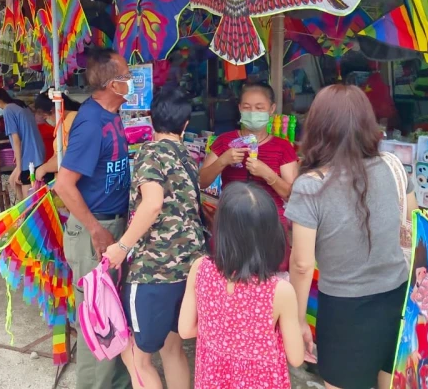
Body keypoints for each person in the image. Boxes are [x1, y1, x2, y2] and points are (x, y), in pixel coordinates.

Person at [286, 84, 417, 389]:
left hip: (345, 310)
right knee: (390, 379)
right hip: (396, 299)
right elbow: (412, 225)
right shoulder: (395, 167)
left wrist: (298, 318)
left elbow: (302, 265)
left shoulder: (310, 186)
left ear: (318, 128)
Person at [104, 88, 204, 389]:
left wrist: (122, 246)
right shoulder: (189, 157)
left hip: (154, 272)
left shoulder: (150, 152)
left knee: (136, 354)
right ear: (185, 126)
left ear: (150, 119)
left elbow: (152, 203)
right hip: (190, 270)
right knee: (172, 348)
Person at [55, 47, 134, 389]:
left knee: (111, 312)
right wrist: (96, 230)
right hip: (96, 229)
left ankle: (115, 382)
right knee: (97, 316)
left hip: (111, 224)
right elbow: (63, 184)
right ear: (111, 84)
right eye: (127, 77)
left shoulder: (111, 115)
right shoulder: (91, 124)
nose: (132, 81)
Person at [179, 182, 304, 388]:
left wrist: (224, 333)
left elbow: (185, 330)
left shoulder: (200, 268)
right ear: (272, 233)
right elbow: (297, 357)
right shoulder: (279, 290)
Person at [199, 82, 298, 271]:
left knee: (270, 281)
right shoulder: (224, 141)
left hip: (270, 225)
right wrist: (223, 161)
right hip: (231, 222)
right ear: (239, 109)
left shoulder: (283, 147)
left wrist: (268, 174)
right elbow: (202, 182)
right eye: (247, 107)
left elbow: (293, 195)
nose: (253, 112)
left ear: (272, 109)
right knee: (230, 278)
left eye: (259, 108)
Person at [0, 88, 46, 199]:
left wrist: (19, 167)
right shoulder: (20, 106)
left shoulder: (8, 110)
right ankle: (22, 213)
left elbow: (16, 139)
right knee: (12, 180)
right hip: (37, 151)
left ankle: (27, 213)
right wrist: (16, 155)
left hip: (28, 156)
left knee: (28, 193)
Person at [34, 92, 81, 178]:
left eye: (46, 117)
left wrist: (44, 168)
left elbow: (68, 155)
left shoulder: (72, 120)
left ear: (52, 110)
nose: (47, 121)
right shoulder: (65, 121)